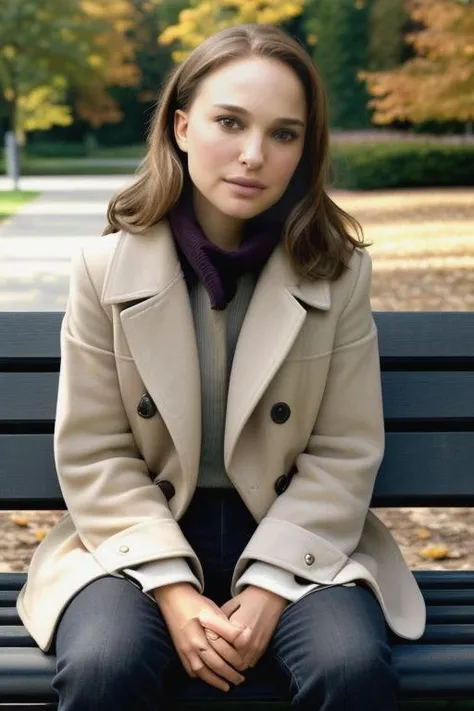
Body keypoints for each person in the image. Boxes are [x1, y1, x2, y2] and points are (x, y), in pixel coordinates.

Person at [17, 22, 426, 711]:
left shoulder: (338, 273)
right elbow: (96, 452)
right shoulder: (105, 269)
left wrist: (269, 588)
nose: (253, 154)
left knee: (348, 666)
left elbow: (344, 450)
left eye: (284, 134)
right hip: (138, 531)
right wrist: (175, 592)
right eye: (229, 122)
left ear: (305, 150)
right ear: (181, 127)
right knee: (104, 663)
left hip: (293, 530)